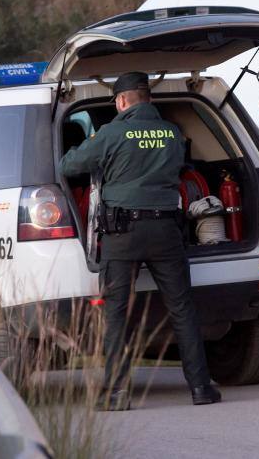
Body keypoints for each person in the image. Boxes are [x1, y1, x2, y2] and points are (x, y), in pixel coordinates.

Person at [61, 71, 220, 411]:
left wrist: (87, 144)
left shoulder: (112, 133)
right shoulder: (173, 133)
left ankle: (118, 394)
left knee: (116, 313)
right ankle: (201, 389)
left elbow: (70, 164)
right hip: (166, 231)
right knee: (182, 309)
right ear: (147, 98)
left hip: (123, 235)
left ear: (121, 101)